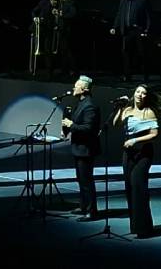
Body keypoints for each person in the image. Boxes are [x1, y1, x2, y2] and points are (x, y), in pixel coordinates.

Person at [112, 84, 161, 237]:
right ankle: (135, 226)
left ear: (146, 96)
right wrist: (119, 109)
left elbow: (154, 134)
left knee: (138, 185)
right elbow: (115, 124)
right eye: (137, 92)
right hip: (128, 152)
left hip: (143, 152)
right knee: (129, 187)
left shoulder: (148, 112)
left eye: (143, 93)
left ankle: (144, 227)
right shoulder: (127, 110)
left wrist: (136, 140)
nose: (139, 95)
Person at [61, 75, 101, 222]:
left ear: (84, 89)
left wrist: (71, 125)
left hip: (86, 149)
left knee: (86, 181)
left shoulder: (89, 106)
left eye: (76, 86)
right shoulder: (81, 103)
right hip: (79, 147)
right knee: (81, 180)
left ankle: (92, 211)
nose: (73, 88)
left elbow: (89, 128)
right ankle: (84, 206)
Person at [110, 0, 152, 82]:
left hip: (138, 30)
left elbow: (148, 15)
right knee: (126, 53)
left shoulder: (141, 0)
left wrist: (147, 29)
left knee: (142, 53)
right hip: (127, 31)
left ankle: (145, 75)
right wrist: (114, 27)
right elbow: (119, 15)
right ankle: (127, 76)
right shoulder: (123, 1)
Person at [31, 0, 60, 79]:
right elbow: (33, 11)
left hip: (48, 31)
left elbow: (56, 21)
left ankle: (49, 72)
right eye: (54, 0)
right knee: (36, 49)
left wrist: (56, 17)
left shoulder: (57, 8)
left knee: (48, 51)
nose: (56, 2)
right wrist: (34, 18)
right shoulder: (43, 3)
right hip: (39, 29)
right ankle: (33, 69)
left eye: (56, 0)